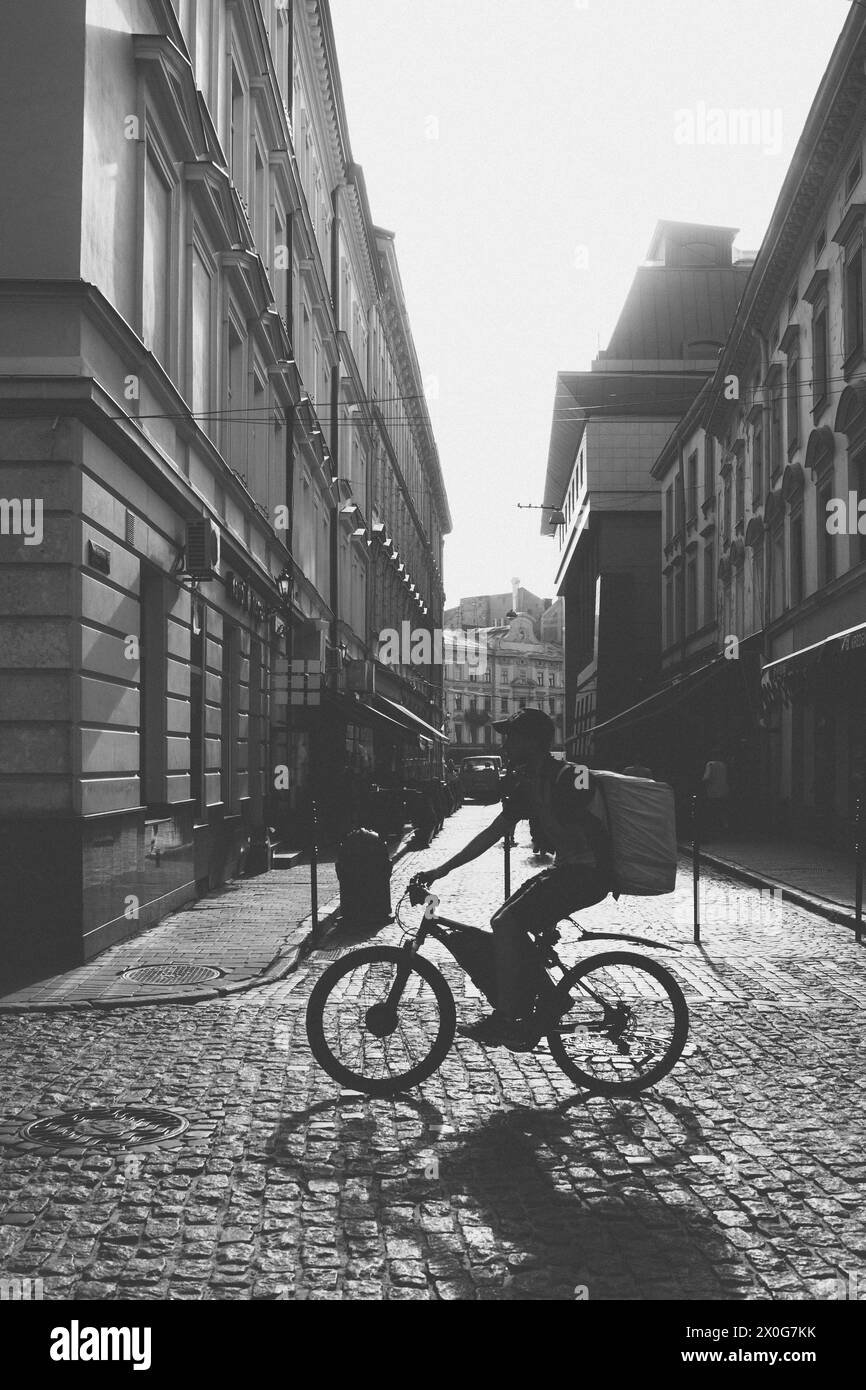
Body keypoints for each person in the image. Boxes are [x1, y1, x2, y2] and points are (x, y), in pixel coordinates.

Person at [416, 709, 614, 1047]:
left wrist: (540, 798)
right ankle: (552, 998)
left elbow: (576, 835)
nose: (505, 744)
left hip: (589, 872)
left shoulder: (571, 775)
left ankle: (506, 1018)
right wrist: (440, 870)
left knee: (508, 923)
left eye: (512, 737)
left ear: (533, 742)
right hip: (568, 869)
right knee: (503, 922)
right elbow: (493, 832)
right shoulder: (529, 781)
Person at [701, 751, 730, 834]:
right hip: (724, 789)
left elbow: (706, 777)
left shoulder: (710, 764)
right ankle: (725, 827)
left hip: (713, 791)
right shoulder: (723, 765)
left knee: (712, 810)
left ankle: (713, 828)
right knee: (722, 809)